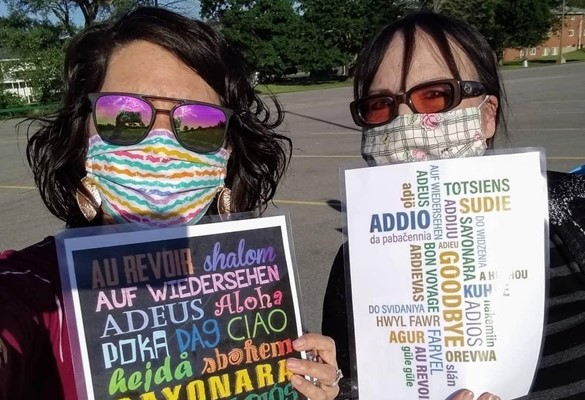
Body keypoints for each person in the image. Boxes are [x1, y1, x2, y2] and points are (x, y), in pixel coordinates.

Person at [0, 7, 341, 400]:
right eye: (123, 116)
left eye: (198, 123)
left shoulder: (255, 294)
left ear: (227, 153)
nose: (161, 147)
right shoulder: (38, 292)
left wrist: (309, 386)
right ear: (82, 137)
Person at [322, 10, 585, 400]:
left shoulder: (573, 215)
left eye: (434, 95)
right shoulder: (355, 265)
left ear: (487, 116)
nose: (405, 122)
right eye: (380, 106)